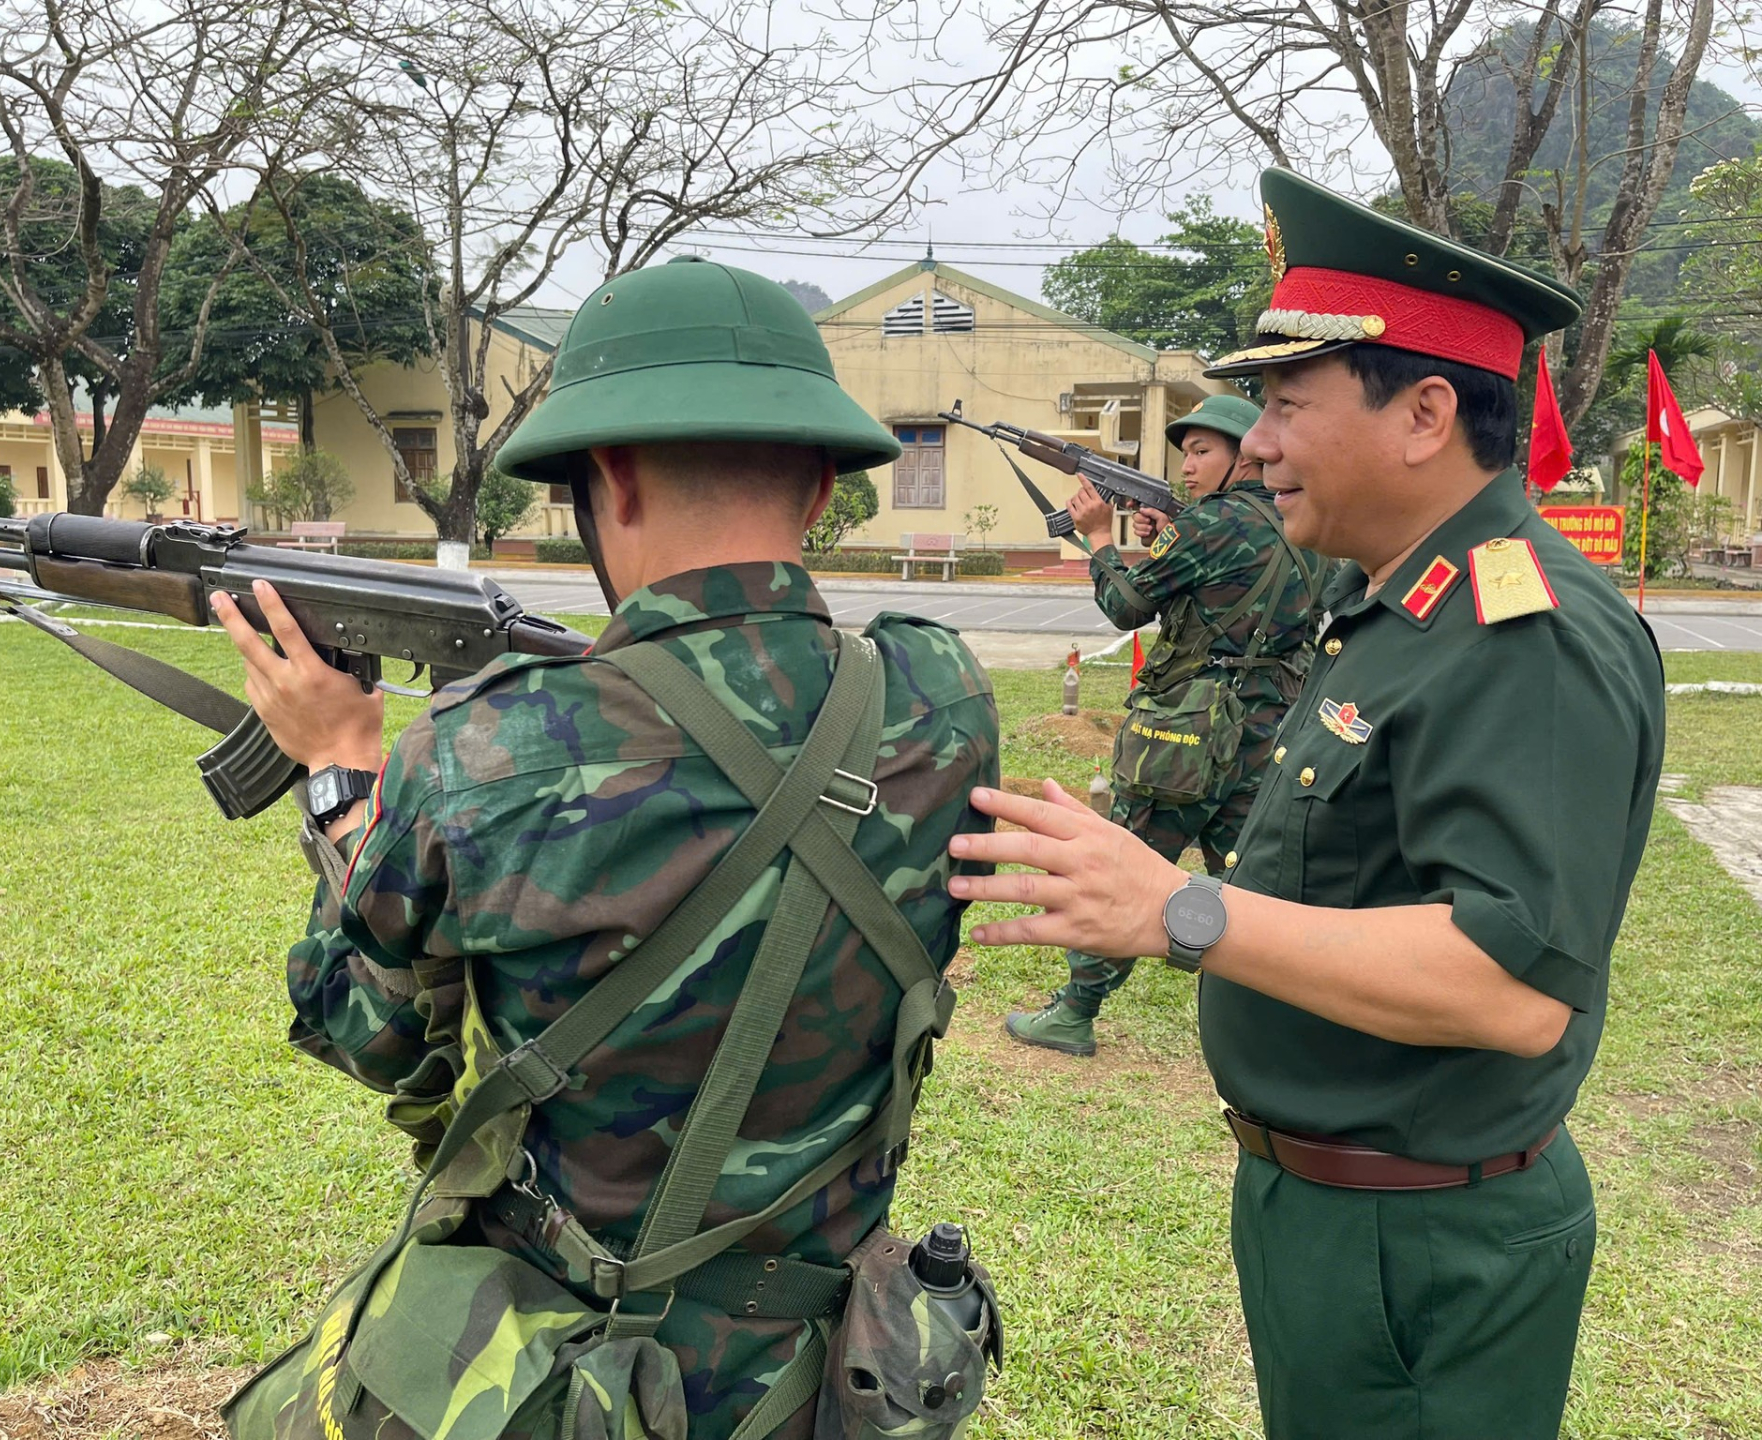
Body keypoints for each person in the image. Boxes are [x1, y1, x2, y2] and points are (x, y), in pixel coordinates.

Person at [214, 256, 1001, 1440]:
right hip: (833, 1366)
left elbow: (375, 1043)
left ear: (609, 477)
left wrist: (339, 772)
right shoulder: (942, 698)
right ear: (827, 478)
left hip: (575, 1373)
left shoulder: (487, 745)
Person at [944, 168, 1666, 1439]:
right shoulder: (1384, 601)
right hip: (1333, 1204)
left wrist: (1184, 911)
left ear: (1425, 412)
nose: (1257, 442)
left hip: (1423, 1239)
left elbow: (1510, 988)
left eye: (1285, 404)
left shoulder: (1521, 628)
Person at [1004, 392, 1323, 1056]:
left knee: (1125, 866)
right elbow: (1228, 592)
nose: (1187, 467)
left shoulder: (1209, 526)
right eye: (1183, 454)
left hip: (1188, 733)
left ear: (1247, 456)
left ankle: (1074, 1012)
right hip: (1269, 731)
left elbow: (1125, 605)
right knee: (1249, 879)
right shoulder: (1303, 526)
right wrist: (1170, 541)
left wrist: (1097, 538)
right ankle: (1282, 1021)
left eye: (1204, 452)